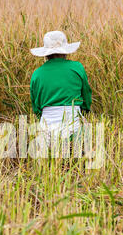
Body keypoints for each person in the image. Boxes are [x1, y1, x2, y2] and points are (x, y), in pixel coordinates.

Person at [29, 31, 92, 159]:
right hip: (73, 122)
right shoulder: (77, 67)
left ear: (46, 54)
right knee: (77, 162)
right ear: (65, 51)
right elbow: (86, 94)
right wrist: (85, 110)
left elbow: (36, 106)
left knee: (50, 165)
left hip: (47, 126)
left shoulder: (37, 73)